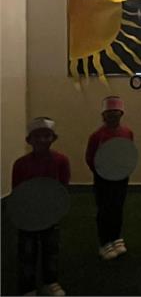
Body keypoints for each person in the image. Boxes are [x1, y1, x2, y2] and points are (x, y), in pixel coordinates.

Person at [12, 117, 70, 296]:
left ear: (54, 138)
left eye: (47, 136)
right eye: (37, 136)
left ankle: (50, 282)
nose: (42, 140)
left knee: (51, 249)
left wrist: (56, 208)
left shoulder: (61, 161)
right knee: (27, 251)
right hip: (28, 214)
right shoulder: (20, 164)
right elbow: (18, 191)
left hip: (50, 213)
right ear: (29, 140)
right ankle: (28, 287)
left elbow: (62, 187)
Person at [85, 96, 134, 261]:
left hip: (121, 177)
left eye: (116, 112)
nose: (113, 116)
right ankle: (105, 242)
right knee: (104, 209)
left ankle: (116, 238)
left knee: (118, 207)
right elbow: (90, 157)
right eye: (109, 113)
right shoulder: (97, 135)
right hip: (103, 178)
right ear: (104, 115)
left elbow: (129, 152)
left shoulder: (127, 132)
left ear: (121, 114)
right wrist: (100, 171)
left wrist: (125, 169)